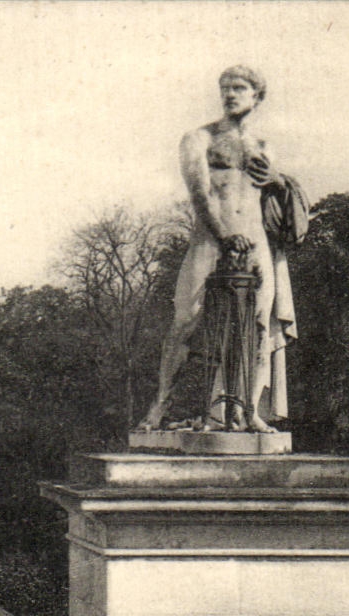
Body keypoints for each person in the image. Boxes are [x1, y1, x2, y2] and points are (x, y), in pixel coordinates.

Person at [137, 65, 300, 433]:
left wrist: (277, 181)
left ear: (256, 96)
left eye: (239, 88)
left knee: (258, 323)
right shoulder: (199, 138)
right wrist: (225, 234)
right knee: (186, 321)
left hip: (256, 241)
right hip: (211, 238)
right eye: (225, 87)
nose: (230, 94)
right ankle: (158, 409)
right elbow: (200, 193)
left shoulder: (263, 147)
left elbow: (276, 202)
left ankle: (248, 409)